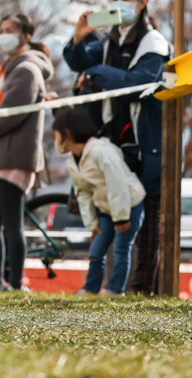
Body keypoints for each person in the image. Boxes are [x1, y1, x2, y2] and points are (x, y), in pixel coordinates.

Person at [63, 0, 169, 295]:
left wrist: (95, 74)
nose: (118, 3)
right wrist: (78, 38)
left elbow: (136, 85)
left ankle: (141, 288)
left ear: (142, 3)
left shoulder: (154, 43)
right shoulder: (109, 40)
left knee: (146, 219)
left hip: (145, 143)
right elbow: (76, 61)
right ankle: (106, 286)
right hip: (114, 141)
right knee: (111, 213)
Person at [0, 14, 52, 291]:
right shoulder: (9, 68)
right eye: (1, 30)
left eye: (10, 31)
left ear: (26, 36)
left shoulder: (26, 69)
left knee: (11, 223)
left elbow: (9, 115)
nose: (4, 35)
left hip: (13, 155)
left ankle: (15, 283)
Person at [53, 107, 146, 295]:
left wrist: (121, 217)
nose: (56, 142)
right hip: (105, 208)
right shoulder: (73, 161)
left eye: (56, 136)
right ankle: (91, 288)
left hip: (129, 204)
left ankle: (115, 290)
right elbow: (83, 192)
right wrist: (91, 224)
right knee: (96, 251)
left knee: (121, 248)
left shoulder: (101, 151)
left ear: (68, 133)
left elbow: (117, 183)